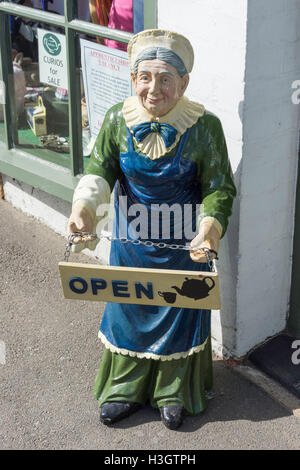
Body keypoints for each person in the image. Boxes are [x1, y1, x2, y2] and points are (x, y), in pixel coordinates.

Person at [67, 29, 236, 430]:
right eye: (145, 77)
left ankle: (173, 390)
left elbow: (218, 187)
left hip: (184, 246)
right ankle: (125, 386)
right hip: (132, 242)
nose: (154, 89)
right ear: (133, 79)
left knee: (178, 312)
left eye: (165, 79)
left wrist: (209, 229)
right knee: (130, 312)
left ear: (184, 83)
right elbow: (99, 170)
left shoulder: (205, 127)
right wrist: (85, 210)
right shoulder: (115, 120)